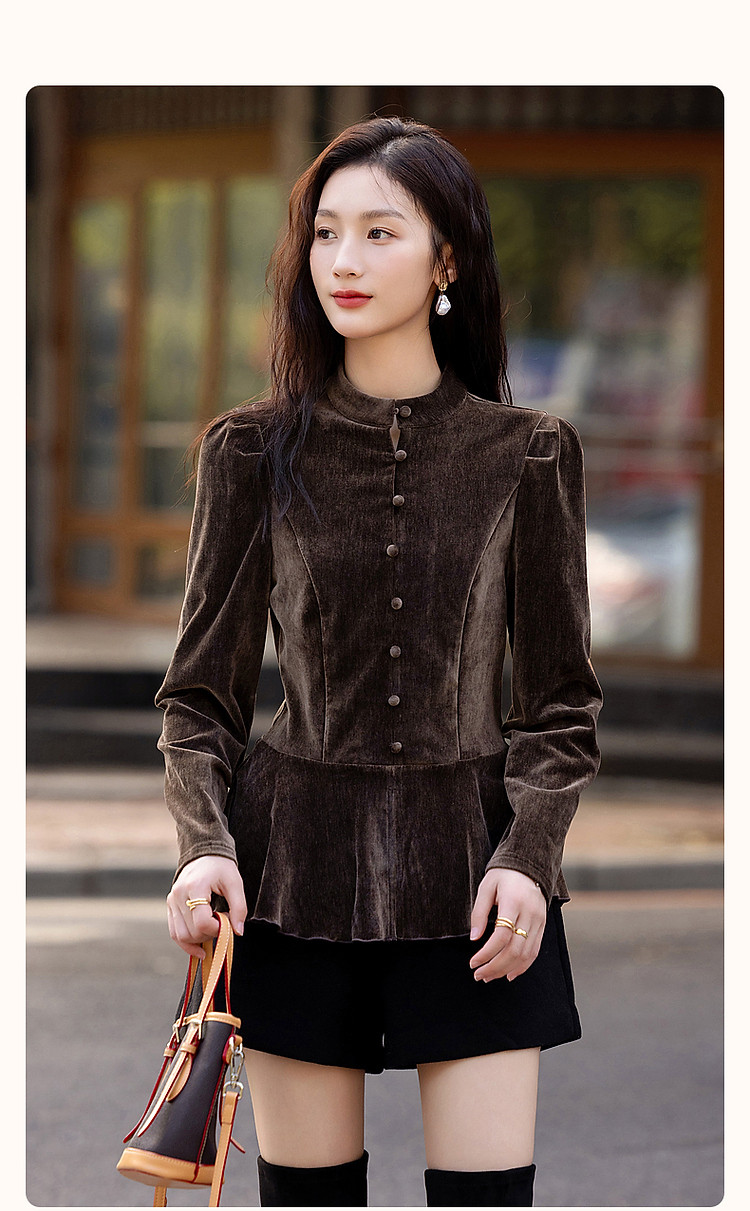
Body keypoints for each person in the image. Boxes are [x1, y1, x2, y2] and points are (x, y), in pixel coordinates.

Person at [155, 115, 603, 1208]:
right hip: (291, 882)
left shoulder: (528, 453)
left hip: (480, 884)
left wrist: (529, 853)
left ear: (447, 259)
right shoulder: (251, 452)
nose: (343, 260)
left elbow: (559, 704)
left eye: (379, 232)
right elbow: (201, 694)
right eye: (325, 233)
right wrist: (203, 844)